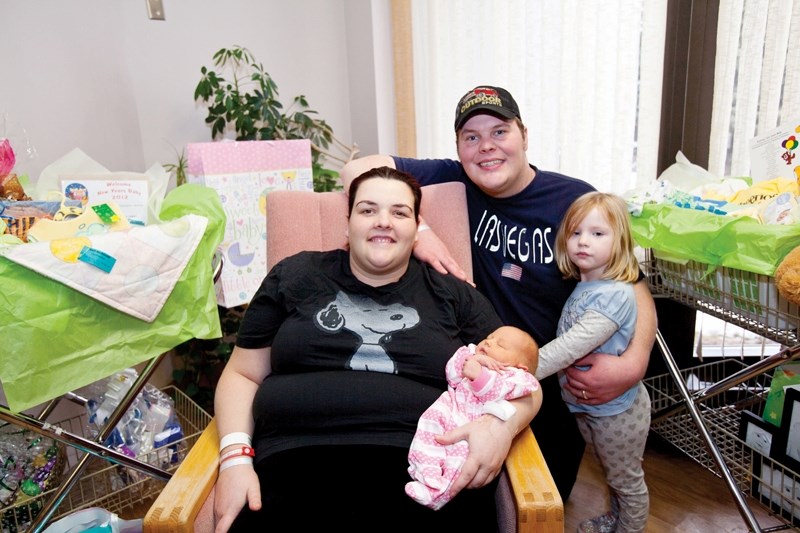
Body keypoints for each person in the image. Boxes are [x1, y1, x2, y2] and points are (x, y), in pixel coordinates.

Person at [340, 85, 657, 501]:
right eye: (471, 137)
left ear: (524, 135)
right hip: (475, 371)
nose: (486, 147)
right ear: (458, 147)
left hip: (551, 382)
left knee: (541, 505)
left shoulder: (572, 199)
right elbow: (357, 170)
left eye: (499, 131)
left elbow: (630, 282)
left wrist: (634, 363)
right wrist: (420, 231)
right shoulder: (453, 180)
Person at [212, 166, 543, 532]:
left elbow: (526, 383)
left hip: (424, 471)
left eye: (399, 212)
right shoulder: (296, 275)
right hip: (292, 464)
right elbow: (243, 374)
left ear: (417, 227)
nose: (383, 221)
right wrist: (235, 459)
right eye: (368, 210)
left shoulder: (452, 292)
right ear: (348, 222)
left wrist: (499, 425)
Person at [535, 192, 650, 533]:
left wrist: (523, 371)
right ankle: (615, 519)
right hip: (591, 408)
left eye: (598, 234)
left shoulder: (613, 294)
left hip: (617, 412)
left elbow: (570, 347)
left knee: (625, 479)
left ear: (620, 241)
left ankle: (629, 527)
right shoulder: (591, 284)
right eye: (575, 233)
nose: (584, 242)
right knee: (610, 470)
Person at [406, 325, 540, 510]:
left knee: (461, 456)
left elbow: (495, 392)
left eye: (500, 345)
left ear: (520, 366)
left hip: (475, 423)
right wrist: (472, 360)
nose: (489, 342)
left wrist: (478, 374)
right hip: (451, 408)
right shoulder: (470, 354)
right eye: (490, 336)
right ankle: (426, 474)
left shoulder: (519, 378)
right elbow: (452, 376)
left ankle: (439, 494)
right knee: (428, 429)